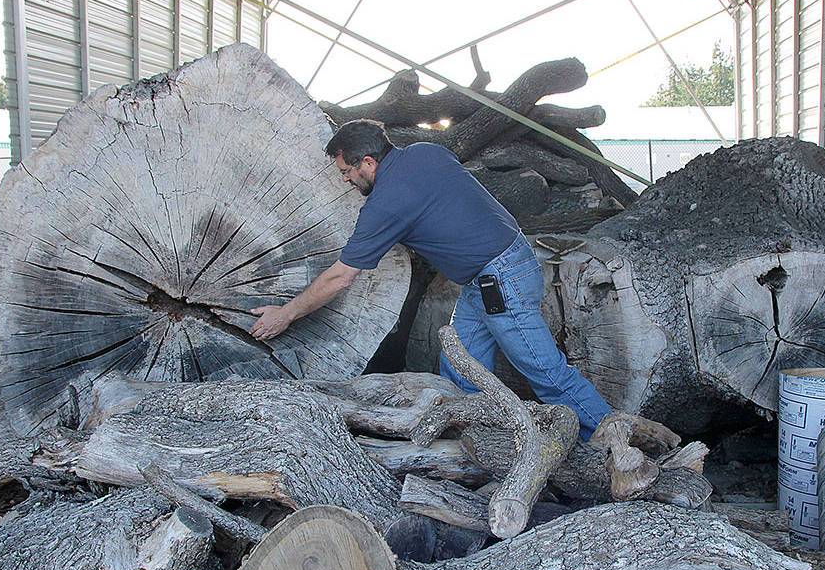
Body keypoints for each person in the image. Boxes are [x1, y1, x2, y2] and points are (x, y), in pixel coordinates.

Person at [249, 119, 612, 440]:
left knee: (546, 373)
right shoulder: (427, 152)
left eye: (346, 171)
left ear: (368, 163)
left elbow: (340, 277)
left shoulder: (386, 203)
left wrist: (285, 314)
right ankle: (474, 444)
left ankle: (614, 440)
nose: (344, 179)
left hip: (500, 282)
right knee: (460, 369)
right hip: (498, 270)